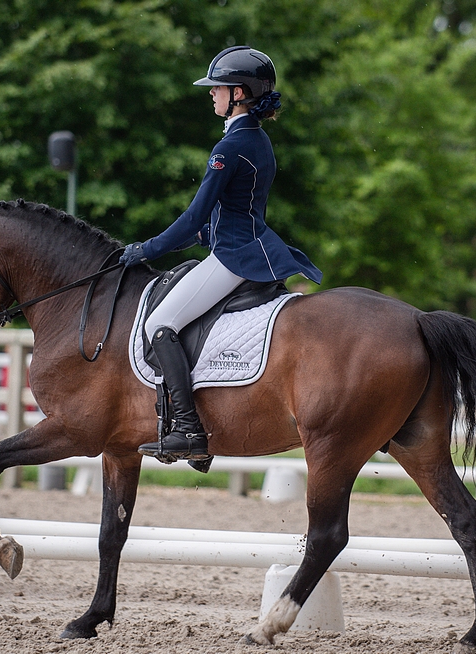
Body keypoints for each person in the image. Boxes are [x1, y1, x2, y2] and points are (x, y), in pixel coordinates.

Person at [119, 46, 322, 462]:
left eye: (218, 88)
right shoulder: (255, 140)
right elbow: (221, 215)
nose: (211, 94)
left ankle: (189, 431)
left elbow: (194, 217)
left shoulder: (229, 149)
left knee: (160, 324)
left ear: (240, 93)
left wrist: (145, 250)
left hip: (234, 257)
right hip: (248, 247)